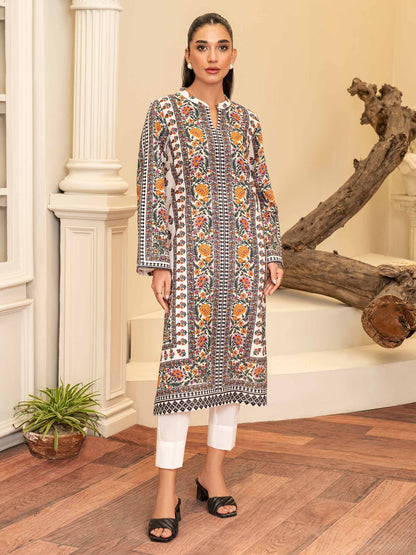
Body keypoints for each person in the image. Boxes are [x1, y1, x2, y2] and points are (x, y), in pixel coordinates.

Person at [136, 12, 284, 543]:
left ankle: (213, 473)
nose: (212, 56)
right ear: (188, 55)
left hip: (243, 261)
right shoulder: (165, 113)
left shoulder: (247, 121)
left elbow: (262, 191)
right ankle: (165, 490)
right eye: (202, 47)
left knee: (233, 370)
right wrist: (158, 260)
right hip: (189, 263)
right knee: (180, 374)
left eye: (222, 47)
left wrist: (271, 251)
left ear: (233, 56)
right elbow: (152, 188)